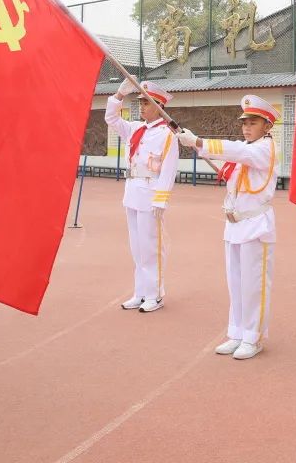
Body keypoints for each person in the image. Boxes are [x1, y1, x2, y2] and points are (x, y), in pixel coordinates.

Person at [177, 95, 280, 360]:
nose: (246, 127)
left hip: (256, 225)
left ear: (267, 126)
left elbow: (239, 151)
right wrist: (198, 147)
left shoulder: (264, 149)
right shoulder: (246, 150)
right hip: (235, 225)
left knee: (254, 284)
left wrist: (199, 142)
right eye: (244, 122)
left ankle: (253, 337)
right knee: (236, 283)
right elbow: (234, 153)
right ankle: (237, 333)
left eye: (253, 123)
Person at [105, 80, 180, 313]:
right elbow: (112, 119)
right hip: (133, 192)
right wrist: (119, 95)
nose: (142, 107)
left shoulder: (168, 135)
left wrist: (161, 199)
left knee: (151, 248)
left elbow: (169, 169)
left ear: (159, 106)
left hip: (150, 194)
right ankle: (140, 292)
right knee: (137, 247)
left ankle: (155, 294)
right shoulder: (136, 128)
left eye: (146, 103)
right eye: (140, 102)